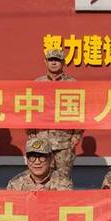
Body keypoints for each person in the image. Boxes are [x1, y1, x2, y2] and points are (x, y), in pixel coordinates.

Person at [27, 48, 83, 177]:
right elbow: (30, 110)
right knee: (42, 178)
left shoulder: (73, 84)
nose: (54, 63)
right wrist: (30, 133)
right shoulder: (37, 84)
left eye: (57, 60)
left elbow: (81, 112)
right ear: (45, 62)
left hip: (64, 143)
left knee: (63, 179)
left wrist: (75, 138)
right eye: (51, 60)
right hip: (41, 141)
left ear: (63, 63)